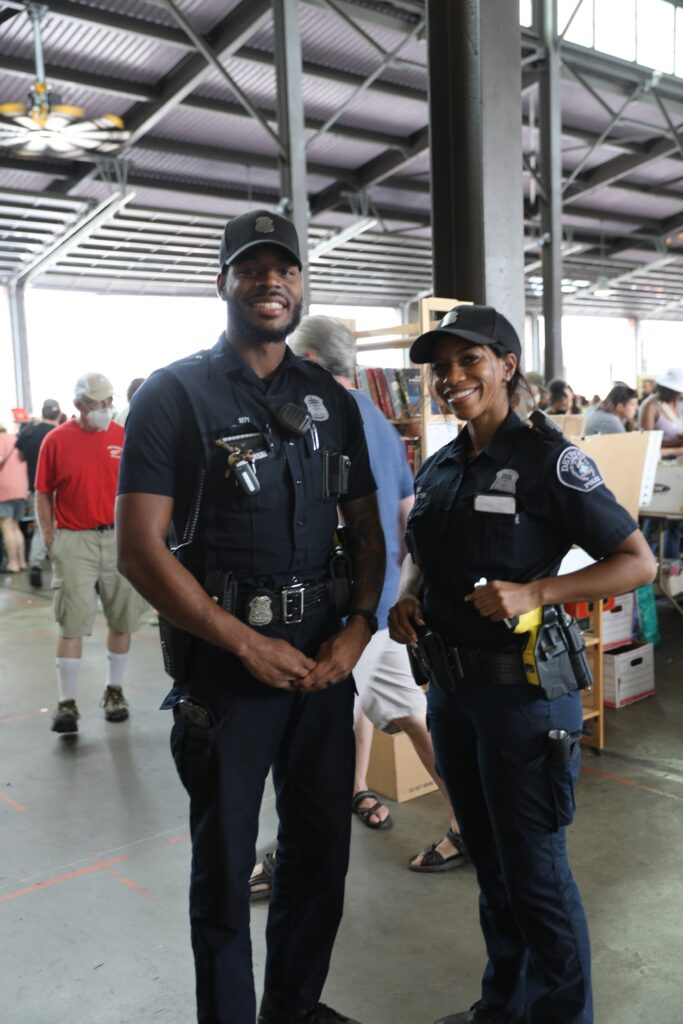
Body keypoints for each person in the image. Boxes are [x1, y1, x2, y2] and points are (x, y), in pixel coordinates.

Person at [116, 210, 385, 1024]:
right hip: (228, 676)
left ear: (301, 283)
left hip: (323, 669)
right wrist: (242, 642)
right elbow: (139, 548)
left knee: (318, 859)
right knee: (227, 868)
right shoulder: (175, 394)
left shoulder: (329, 400)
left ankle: (293, 1009)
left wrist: (362, 622)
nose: (271, 281)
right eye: (251, 268)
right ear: (223, 283)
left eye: (285, 269)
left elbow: (368, 528)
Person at [388, 304, 656, 1024]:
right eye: (440, 367)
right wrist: (408, 599)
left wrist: (538, 590)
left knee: (534, 876)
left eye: (468, 361)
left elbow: (636, 561)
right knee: (490, 866)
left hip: (524, 698)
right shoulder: (442, 462)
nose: (451, 378)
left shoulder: (548, 461)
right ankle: (501, 1008)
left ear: (506, 365)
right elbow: (426, 559)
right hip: (450, 693)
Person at [289, 315, 466, 867]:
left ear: (312, 362)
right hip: (385, 605)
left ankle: (297, 856)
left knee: (316, 736)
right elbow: (406, 512)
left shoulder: (321, 422)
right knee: (407, 714)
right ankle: (464, 824)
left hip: (347, 612)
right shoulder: (379, 421)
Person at [35, 373, 146, 734]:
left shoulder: (122, 436)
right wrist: (51, 537)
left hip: (117, 539)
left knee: (122, 618)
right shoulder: (55, 440)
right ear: (79, 404)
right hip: (74, 540)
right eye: (97, 402)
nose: (105, 408)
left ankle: (114, 691)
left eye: (108, 401)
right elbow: (43, 492)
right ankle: (66, 703)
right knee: (71, 622)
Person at [15, 398, 61, 587]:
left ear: (42, 413)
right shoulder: (60, 433)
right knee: (63, 529)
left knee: (41, 527)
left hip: (38, 489)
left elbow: (19, 457)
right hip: (62, 490)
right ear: (58, 414)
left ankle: (35, 563)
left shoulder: (28, 432)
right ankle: (61, 567)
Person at [639, 368, 683, 559]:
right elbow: (647, 440)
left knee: (675, 520)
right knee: (654, 519)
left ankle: (669, 570)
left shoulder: (677, 405)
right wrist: (675, 443)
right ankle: (647, 566)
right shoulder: (651, 406)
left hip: (677, 464)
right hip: (659, 465)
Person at [0, 425, 29, 573]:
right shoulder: (17, 440)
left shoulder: (0, 440)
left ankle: (13, 563)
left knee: (6, 526)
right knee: (16, 527)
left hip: (5, 489)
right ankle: (22, 562)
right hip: (21, 489)